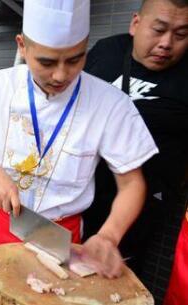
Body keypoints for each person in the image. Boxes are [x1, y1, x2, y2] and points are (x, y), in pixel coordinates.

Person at [0, 0, 159, 278]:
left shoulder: (110, 104)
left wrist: (108, 236)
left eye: (75, 59)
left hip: (63, 239)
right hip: (0, 227)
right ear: (22, 45)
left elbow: (132, 183)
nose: (61, 75)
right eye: (46, 62)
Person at [82, 0, 188, 291]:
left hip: (148, 204)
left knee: (117, 280)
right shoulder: (106, 53)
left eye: (181, 35)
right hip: (87, 190)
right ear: (135, 23)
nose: (166, 43)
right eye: (158, 30)